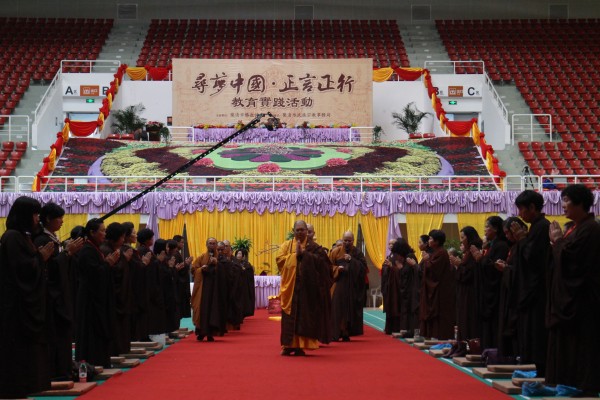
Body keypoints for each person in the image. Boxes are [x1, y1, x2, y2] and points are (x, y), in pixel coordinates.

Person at [546, 184, 600, 396]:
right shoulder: (574, 228)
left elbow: (573, 261)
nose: (563, 205)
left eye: (567, 200)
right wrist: (558, 243)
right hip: (568, 297)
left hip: (583, 298)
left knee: (583, 344)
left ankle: (584, 385)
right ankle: (568, 381)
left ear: (581, 203)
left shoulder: (591, 229)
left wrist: (558, 241)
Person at [0, 197, 54, 398]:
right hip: (16, 307)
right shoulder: (12, 237)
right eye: (35, 214)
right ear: (24, 215)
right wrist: (40, 257)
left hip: (26, 305)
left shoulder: (24, 237)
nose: (37, 218)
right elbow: (21, 270)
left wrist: (39, 258)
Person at [34, 203, 84, 381]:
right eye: (59, 218)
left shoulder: (51, 238)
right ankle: (57, 371)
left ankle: (64, 368)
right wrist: (67, 254)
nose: (62, 221)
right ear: (48, 219)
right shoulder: (41, 239)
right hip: (51, 296)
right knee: (56, 334)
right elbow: (51, 269)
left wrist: (67, 254)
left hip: (60, 293)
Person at [276, 220, 332, 355]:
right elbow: (279, 260)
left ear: (307, 231)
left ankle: (300, 346)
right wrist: (295, 256)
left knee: (304, 317)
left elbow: (325, 267)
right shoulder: (287, 246)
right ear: (293, 231)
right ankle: (288, 345)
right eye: (297, 230)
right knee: (289, 318)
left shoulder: (314, 248)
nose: (300, 232)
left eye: (302, 230)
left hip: (307, 289)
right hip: (291, 287)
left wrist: (305, 255)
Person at [513, 190, 551, 375]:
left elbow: (533, 258)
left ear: (532, 207)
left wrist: (521, 240)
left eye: (522, 209)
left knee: (537, 331)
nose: (520, 214)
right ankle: (538, 369)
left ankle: (543, 370)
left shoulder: (542, 227)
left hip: (538, 290)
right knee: (531, 331)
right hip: (531, 288)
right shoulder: (536, 227)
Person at [75, 218, 120, 368]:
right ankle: (91, 362)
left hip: (97, 298)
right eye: (102, 231)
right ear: (92, 232)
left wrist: (107, 264)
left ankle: (100, 360)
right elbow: (93, 275)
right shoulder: (87, 250)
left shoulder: (95, 248)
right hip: (90, 299)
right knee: (91, 331)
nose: (104, 234)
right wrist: (107, 263)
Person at [471, 216, 509, 350]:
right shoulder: (492, 245)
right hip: (487, 291)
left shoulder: (501, 245)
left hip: (495, 291)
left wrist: (481, 259)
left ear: (496, 229)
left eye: (487, 227)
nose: (485, 230)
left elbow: (494, 268)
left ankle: (492, 350)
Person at [99, 222, 134, 356]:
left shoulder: (115, 250)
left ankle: (121, 349)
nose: (123, 240)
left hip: (122, 295)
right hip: (113, 296)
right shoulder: (105, 250)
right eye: (122, 237)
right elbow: (110, 272)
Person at [329, 231, 368, 341]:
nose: (347, 243)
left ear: (353, 241)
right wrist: (337, 269)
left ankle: (346, 332)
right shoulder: (335, 252)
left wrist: (352, 260)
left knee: (349, 310)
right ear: (342, 240)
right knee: (337, 309)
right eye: (345, 240)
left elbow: (364, 268)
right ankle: (336, 333)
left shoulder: (357, 253)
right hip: (338, 285)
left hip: (352, 286)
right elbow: (328, 266)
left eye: (349, 241)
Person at [419, 229, 456, 340]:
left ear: (437, 241)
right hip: (434, 288)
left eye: (431, 238)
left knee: (440, 313)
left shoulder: (442, 253)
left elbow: (434, 270)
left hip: (440, 290)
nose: (429, 241)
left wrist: (426, 261)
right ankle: (431, 335)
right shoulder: (435, 252)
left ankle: (439, 336)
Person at [382, 238, 419, 336]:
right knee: (405, 309)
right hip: (405, 288)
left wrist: (398, 268)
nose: (397, 256)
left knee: (410, 310)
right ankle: (406, 330)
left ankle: (411, 331)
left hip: (411, 289)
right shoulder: (402, 257)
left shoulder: (410, 256)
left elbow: (410, 273)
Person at [191, 237, 224, 341]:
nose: (212, 245)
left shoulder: (220, 258)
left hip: (215, 289)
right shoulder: (201, 257)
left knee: (213, 310)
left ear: (216, 245)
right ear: (206, 245)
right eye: (210, 243)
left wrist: (217, 264)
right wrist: (201, 269)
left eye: (214, 243)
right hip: (203, 288)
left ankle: (211, 333)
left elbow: (226, 271)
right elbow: (193, 269)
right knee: (203, 309)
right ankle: (201, 332)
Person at [453, 226, 482, 342]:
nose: (461, 240)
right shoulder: (468, 252)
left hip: (470, 291)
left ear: (469, 237)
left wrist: (459, 264)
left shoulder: (473, 251)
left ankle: (468, 343)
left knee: (468, 317)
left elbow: (470, 273)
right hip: (464, 291)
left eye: (463, 237)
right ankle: (462, 343)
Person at [172, 235, 192, 321]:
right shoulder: (175, 254)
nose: (183, 244)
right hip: (178, 285)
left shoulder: (177, 253)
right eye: (182, 242)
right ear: (176, 243)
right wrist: (187, 264)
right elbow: (179, 271)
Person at [235, 249, 256, 318]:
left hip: (244, 285)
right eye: (237, 253)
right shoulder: (233, 262)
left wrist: (244, 271)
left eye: (240, 254)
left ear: (243, 256)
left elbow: (249, 275)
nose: (238, 255)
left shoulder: (247, 264)